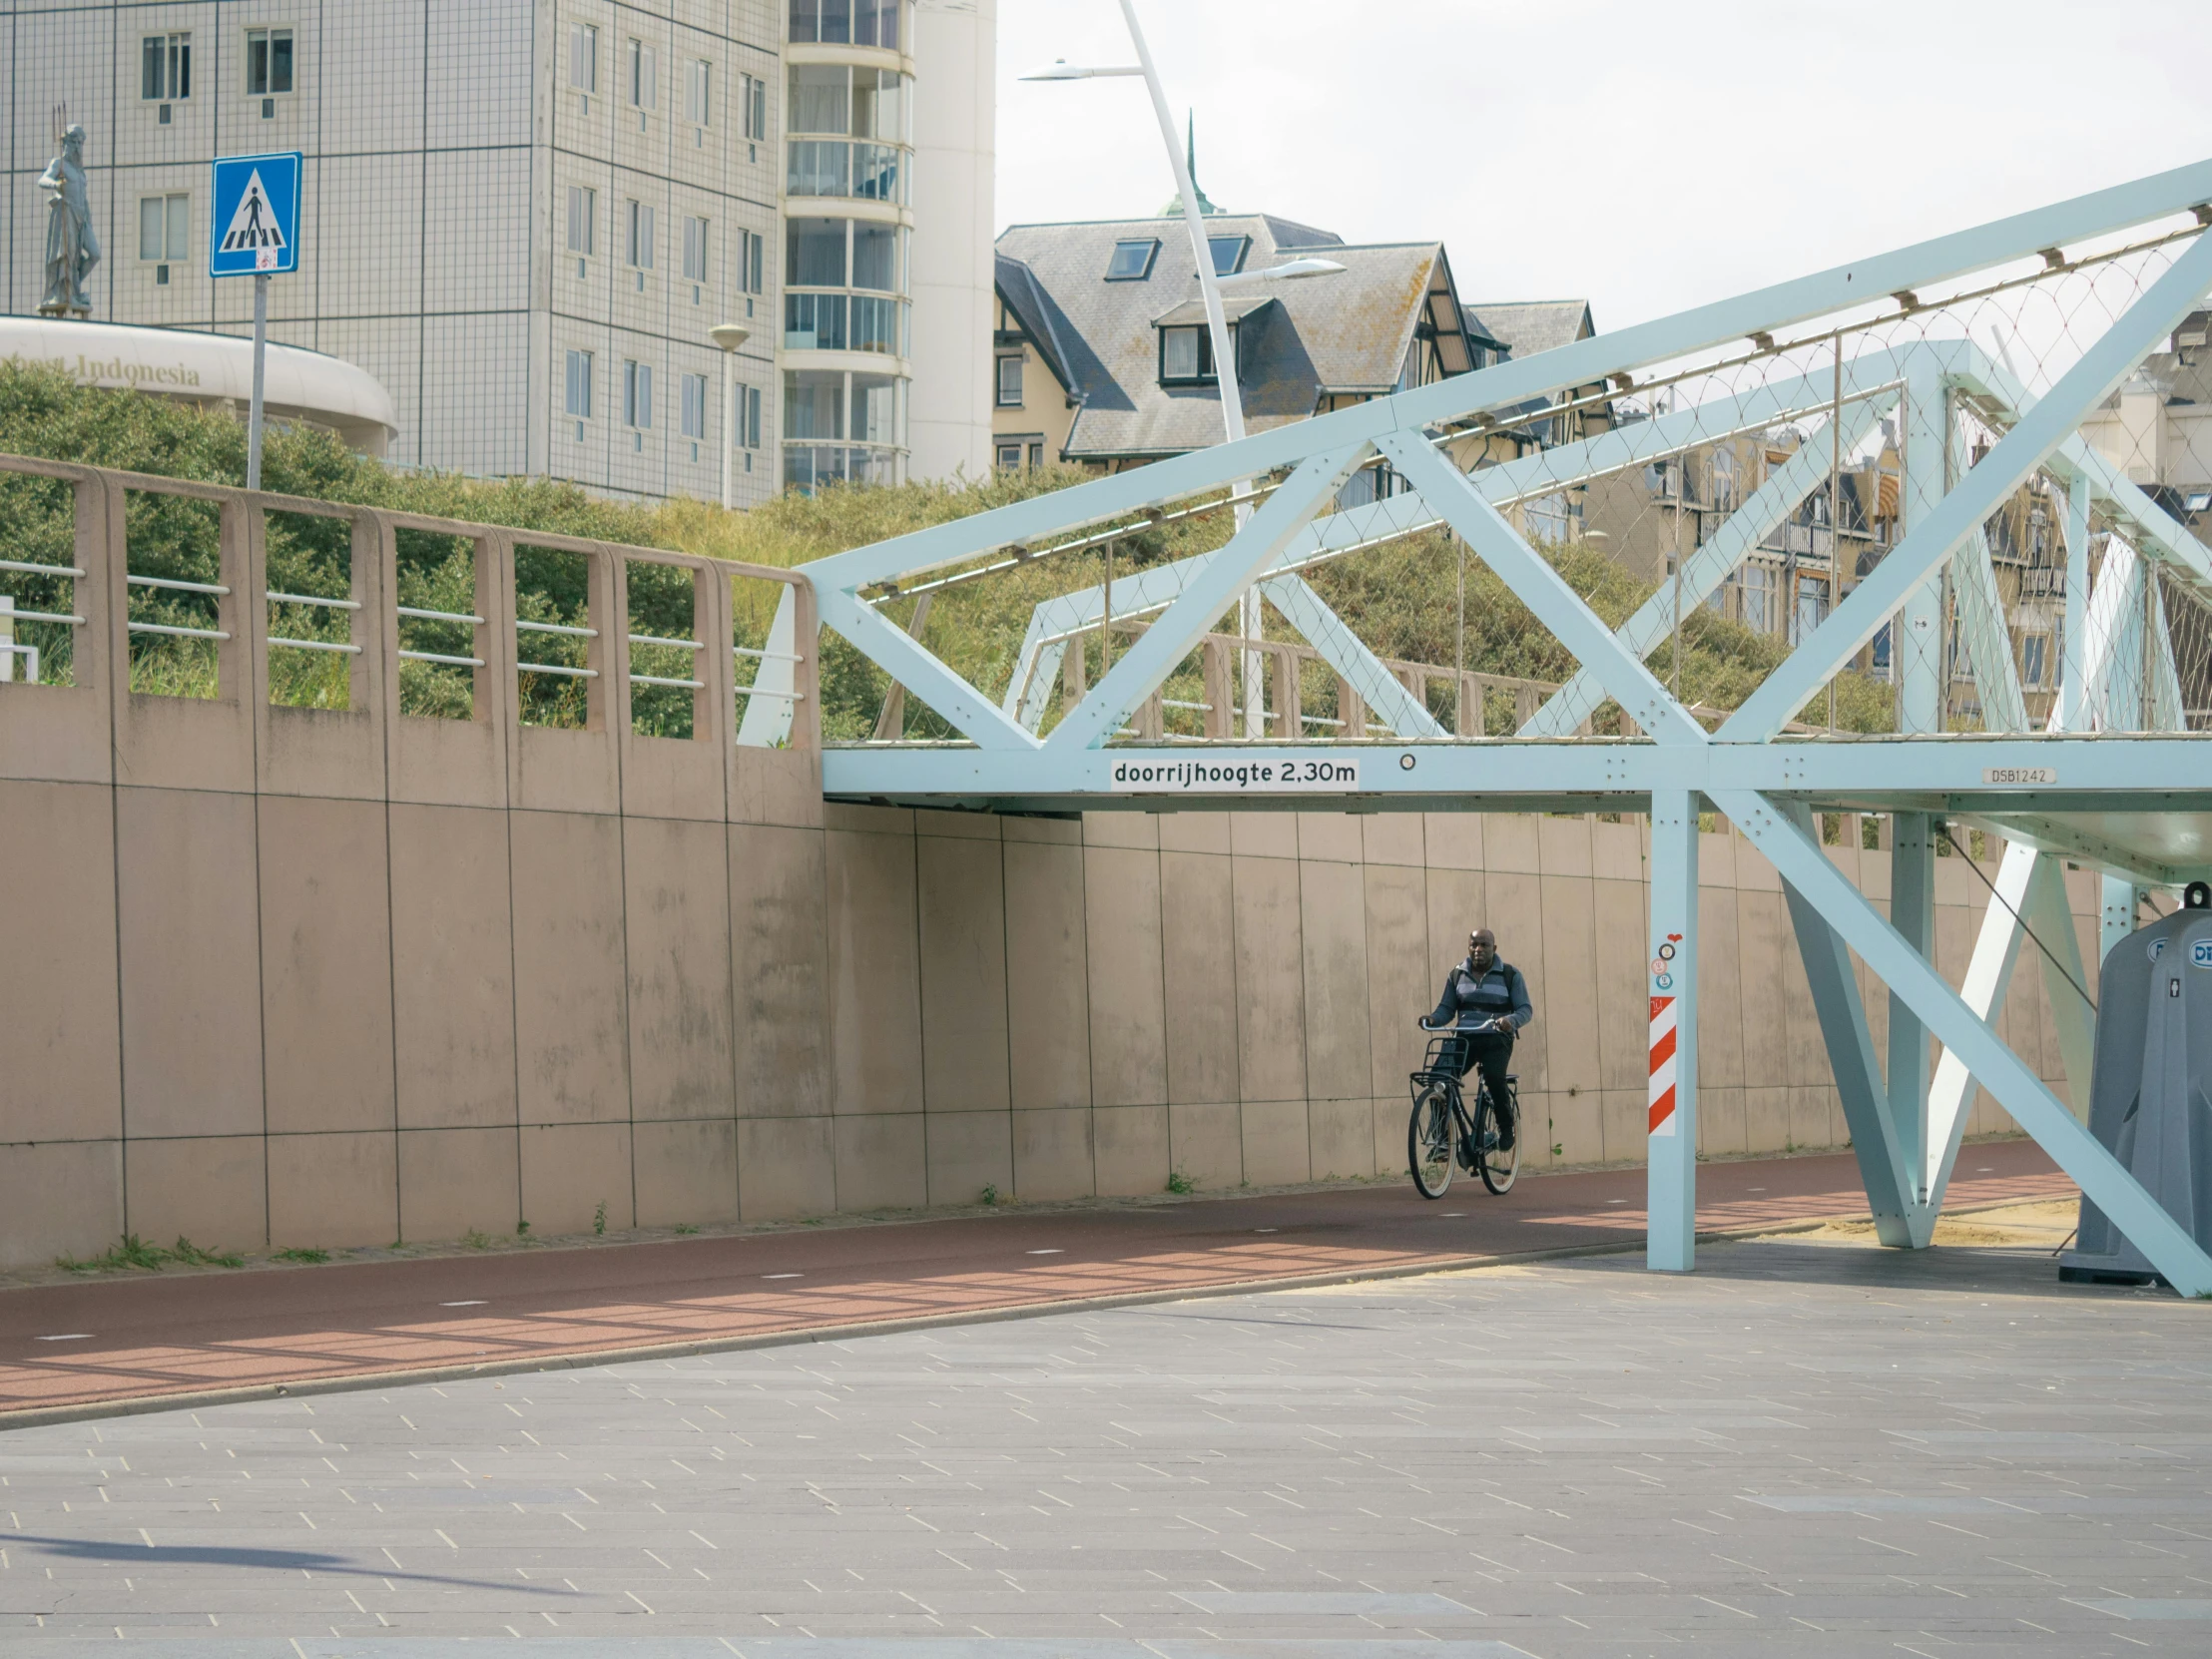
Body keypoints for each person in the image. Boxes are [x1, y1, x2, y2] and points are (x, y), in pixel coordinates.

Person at [1419, 928, 1533, 1149]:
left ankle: (1506, 1126)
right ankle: (1442, 1138)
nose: (1478, 949)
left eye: (1484, 945)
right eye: (1474, 945)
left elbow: (1525, 1009)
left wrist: (1510, 1021)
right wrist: (1433, 1020)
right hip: (1465, 1039)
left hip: (1496, 1040)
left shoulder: (1511, 975)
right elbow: (1446, 1009)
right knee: (1437, 1079)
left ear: (1494, 948)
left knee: (1493, 1077)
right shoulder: (1457, 975)